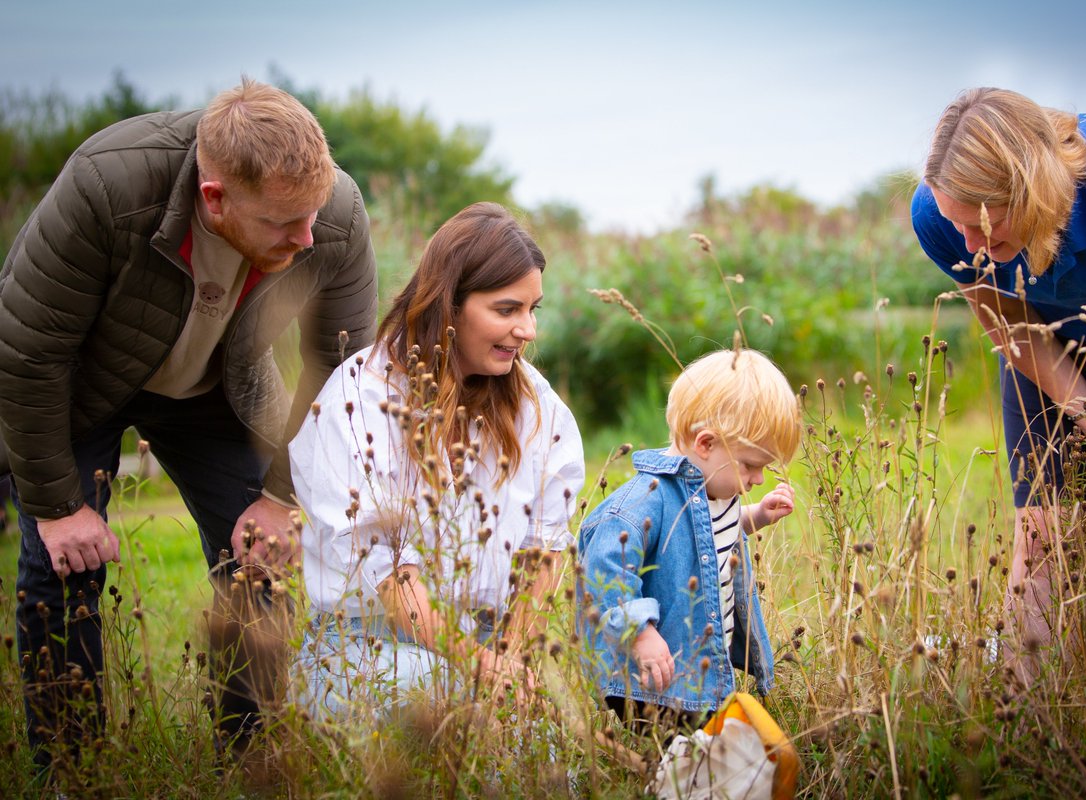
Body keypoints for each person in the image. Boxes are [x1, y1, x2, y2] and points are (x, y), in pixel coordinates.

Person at [0, 78, 378, 767]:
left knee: (260, 565)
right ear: (215, 197)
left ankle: (251, 758)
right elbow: (28, 349)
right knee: (60, 571)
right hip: (82, 385)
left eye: (314, 214)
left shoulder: (335, 216)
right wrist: (58, 507)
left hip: (216, 389)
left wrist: (281, 497)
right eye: (283, 223)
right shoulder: (106, 184)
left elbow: (340, 370)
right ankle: (69, 770)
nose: (308, 237)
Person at [911, 87, 1086, 678]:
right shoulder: (938, 219)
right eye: (955, 225)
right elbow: (1012, 328)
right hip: (1048, 336)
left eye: (983, 227)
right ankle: (1028, 708)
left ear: (1031, 192)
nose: (970, 247)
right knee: (1046, 530)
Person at [291, 202, 584, 716]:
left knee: (537, 736)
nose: (528, 330)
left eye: (533, 309)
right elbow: (388, 576)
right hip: (368, 644)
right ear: (448, 306)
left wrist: (513, 663)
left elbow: (545, 550)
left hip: (488, 646)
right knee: (445, 701)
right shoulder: (362, 398)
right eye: (507, 309)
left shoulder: (537, 407)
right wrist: (483, 670)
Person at [577, 348, 800, 734]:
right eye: (751, 465)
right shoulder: (647, 499)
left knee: (706, 754)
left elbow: (709, 538)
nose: (758, 479)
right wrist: (640, 633)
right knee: (687, 758)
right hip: (657, 680)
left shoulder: (718, 491)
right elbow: (604, 570)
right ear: (706, 443)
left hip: (698, 670)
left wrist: (758, 516)